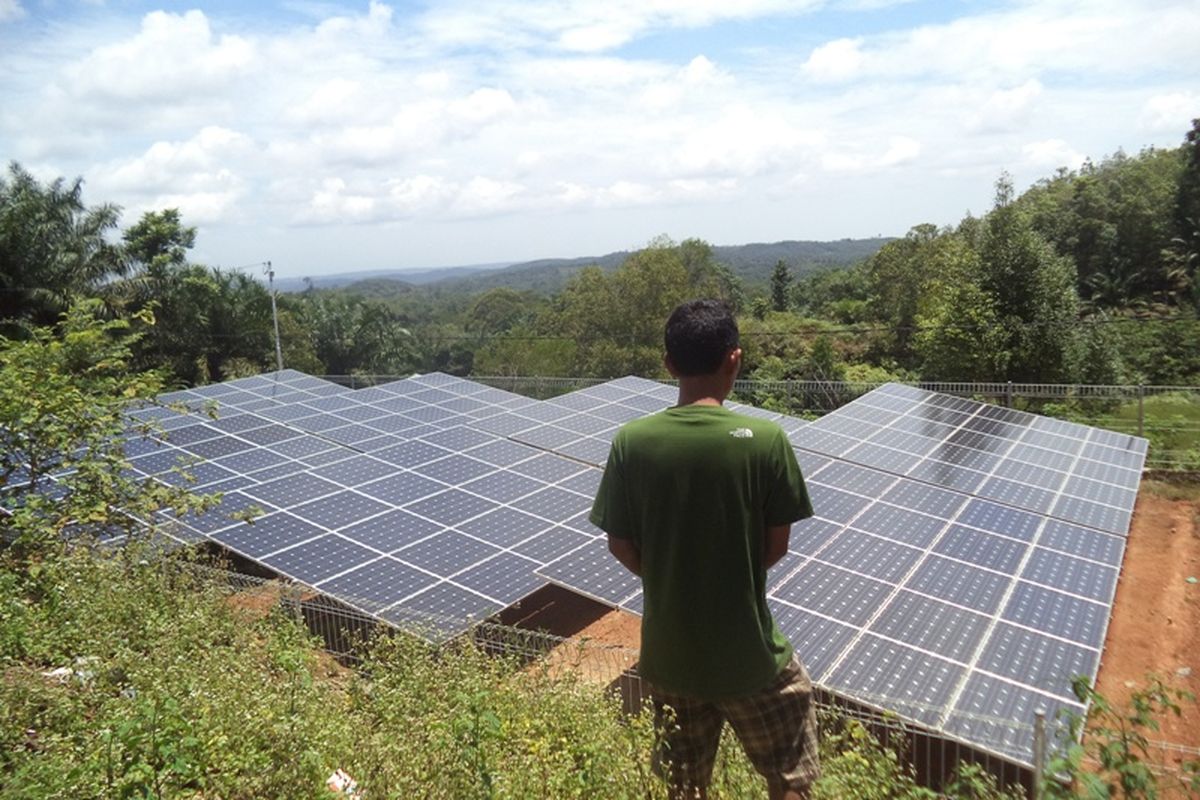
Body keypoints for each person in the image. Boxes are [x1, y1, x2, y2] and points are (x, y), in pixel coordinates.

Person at [590, 299, 820, 800]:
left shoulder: (631, 442)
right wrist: (726, 570)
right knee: (791, 780)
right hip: (751, 657)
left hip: (670, 660)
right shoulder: (766, 440)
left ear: (669, 365)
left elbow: (619, 543)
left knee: (683, 788)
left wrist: (671, 574)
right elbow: (775, 547)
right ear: (734, 359)